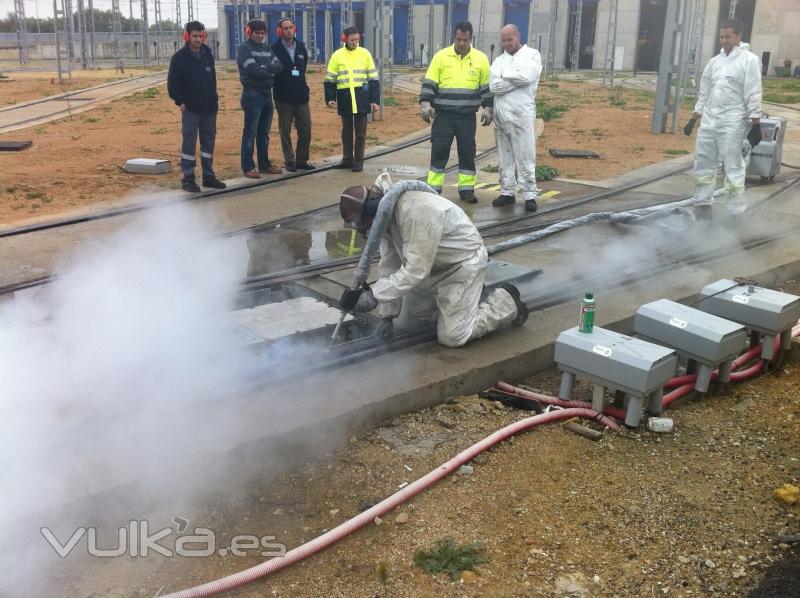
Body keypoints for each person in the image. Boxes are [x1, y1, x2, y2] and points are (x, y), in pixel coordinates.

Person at [338, 173, 528, 348]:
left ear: (372, 209)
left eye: (360, 225)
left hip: (460, 267)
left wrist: (374, 295)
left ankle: (506, 300)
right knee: (409, 323)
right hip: (433, 270)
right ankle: (463, 303)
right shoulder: (385, 216)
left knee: (452, 336)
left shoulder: (416, 211)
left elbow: (415, 271)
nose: (362, 232)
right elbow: (390, 265)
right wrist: (387, 316)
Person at [683, 18, 763, 217]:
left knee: (733, 165)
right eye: (721, 37)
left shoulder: (749, 60)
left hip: (732, 121)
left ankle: (735, 210)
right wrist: (694, 118)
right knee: (703, 161)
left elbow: (753, 91)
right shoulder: (714, 62)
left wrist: (756, 123)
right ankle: (702, 204)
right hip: (709, 121)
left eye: (728, 36)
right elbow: (704, 93)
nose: (724, 40)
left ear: (738, 37)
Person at [419, 21, 492, 204]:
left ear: (471, 38)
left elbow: (486, 88)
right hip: (443, 116)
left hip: (467, 116)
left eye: (465, 40)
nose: (461, 43)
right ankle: (433, 190)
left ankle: (466, 190)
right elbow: (429, 83)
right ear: (454, 37)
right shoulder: (441, 57)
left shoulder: (481, 59)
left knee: (467, 152)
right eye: (458, 39)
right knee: (439, 151)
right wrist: (426, 104)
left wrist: (489, 108)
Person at [167, 20, 226, 192]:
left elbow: (212, 81)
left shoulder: (208, 55)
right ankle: (188, 179)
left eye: (201, 36)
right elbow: (172, 85)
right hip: (191, 109)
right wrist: (181, 102)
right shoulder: (178, 58)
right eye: (194, 36)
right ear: (187, 36)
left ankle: (208, 176)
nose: (198, 39)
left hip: (209, 108)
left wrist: (214, 102)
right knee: (189, 144)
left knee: (208, 143)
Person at [489, 24, 542, 212]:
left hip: (522, 116)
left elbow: (527, 78)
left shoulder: (532, 55)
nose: (506, 44)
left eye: (509, 39)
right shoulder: (499, 61)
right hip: (501, 117)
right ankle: (507, 192)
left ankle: (529, 195)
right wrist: (514, 80)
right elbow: (494, 87)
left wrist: (505, 77)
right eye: (503, 40)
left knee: (526, 156)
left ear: (518, 37)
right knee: (505, 157)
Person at [324, 26, 380, 172]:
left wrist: (375, 100)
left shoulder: (365, 54)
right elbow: (330, 79)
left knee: (360, 132)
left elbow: (373, 78)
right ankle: (347, 158)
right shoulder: (337, 56)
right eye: (352, 40)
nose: (355, 42)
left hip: (361, 97)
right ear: (345, 39)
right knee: (346, 132)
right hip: (345, 97)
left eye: (357, 39)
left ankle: (359, 161)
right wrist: (330, 97)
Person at [236, 19, 284, 178]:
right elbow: (252, 70)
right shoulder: (244, 49)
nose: (260, 36)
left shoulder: (267, 48)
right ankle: (248, 167)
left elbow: (279, 66)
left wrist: (264, 70)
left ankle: (264, 165)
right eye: (257, 33)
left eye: (263, 33)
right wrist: (269, 71)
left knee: (264, 133)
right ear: (249, 32)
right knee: (250, 133)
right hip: (252, 94)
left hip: (266, 95)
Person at [271, 17, 315, 172]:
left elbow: (302, 68)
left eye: (291, 27)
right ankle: (290, 161)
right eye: (285, 28)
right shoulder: (274, 49)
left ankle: (302, 160)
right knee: (285, 130)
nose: (289, 30)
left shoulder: (301, 47)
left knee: (306, 129)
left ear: (294, 29)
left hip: (301, 95)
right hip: (283, 97)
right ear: (279, 31)